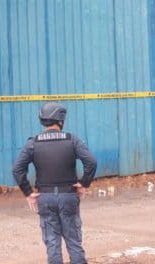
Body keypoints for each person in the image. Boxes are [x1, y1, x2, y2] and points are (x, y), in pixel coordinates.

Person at [12, 102, 97, 264]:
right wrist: (84, 184)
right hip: (68, 196)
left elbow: (17, 169)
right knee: (73, 242)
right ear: (61, 121)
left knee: (52, 243)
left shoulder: (33, 143)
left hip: (45, 197)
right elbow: (91, 162)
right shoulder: (72, 140)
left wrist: (28, 193)